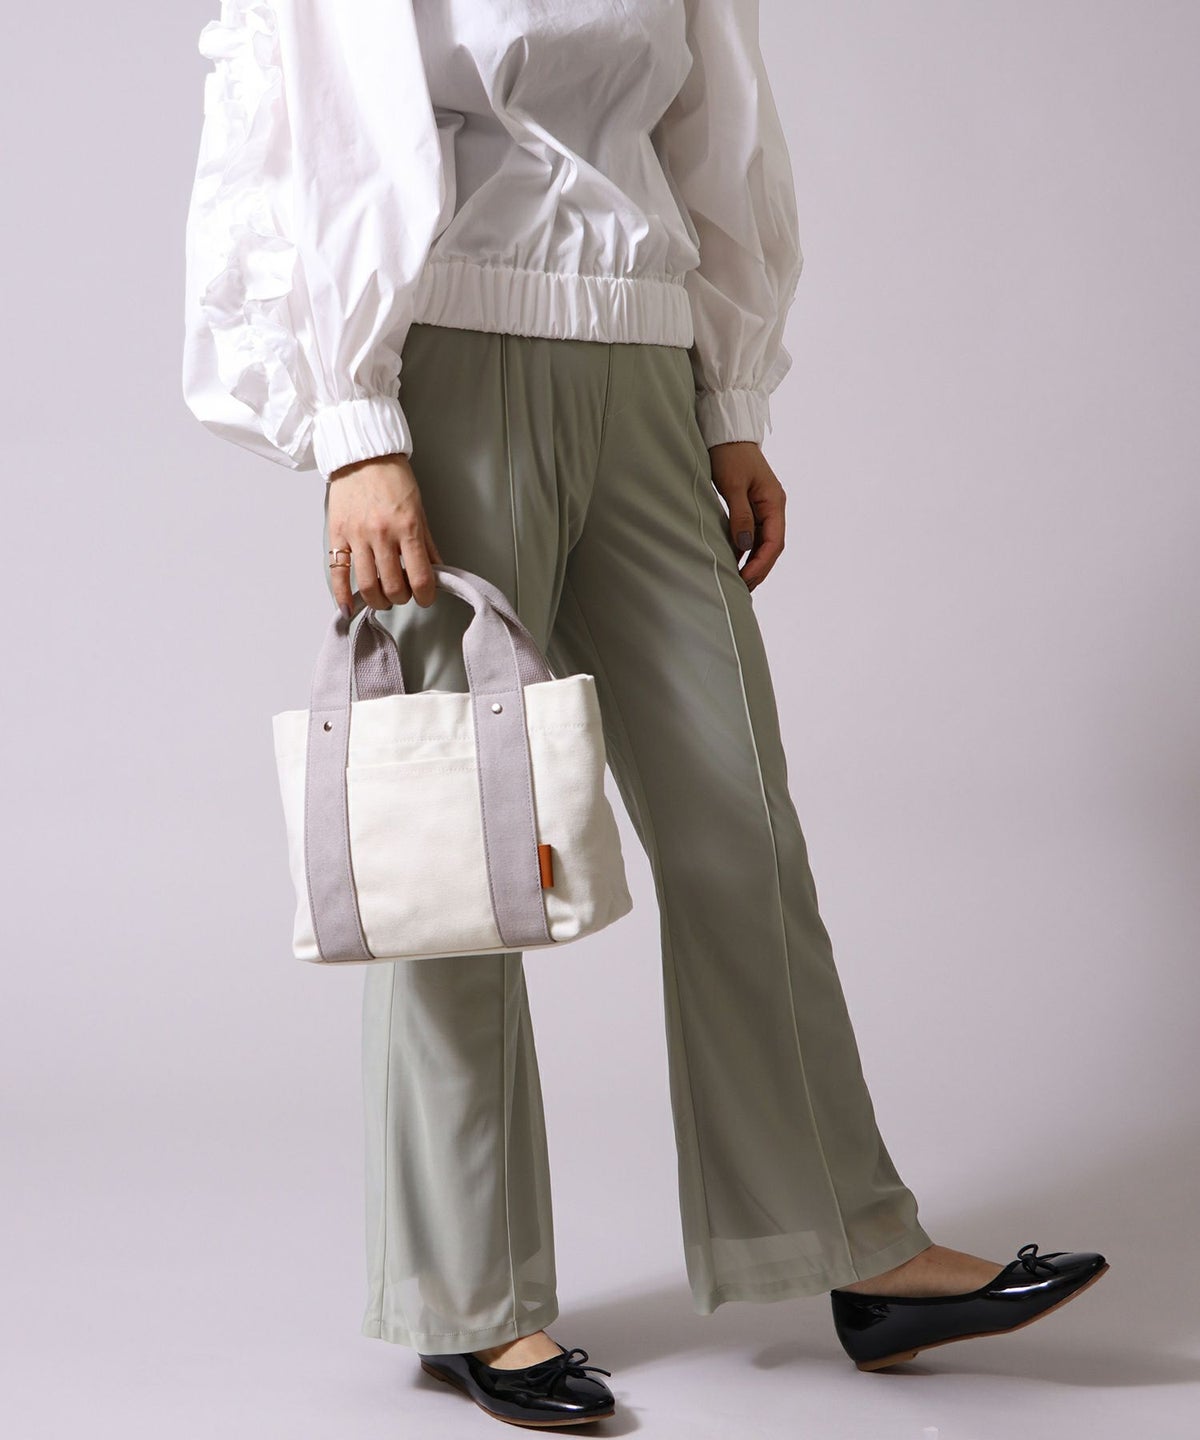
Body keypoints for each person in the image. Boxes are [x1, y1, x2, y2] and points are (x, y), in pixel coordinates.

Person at [182, 0, 1108, 1428]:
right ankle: (469, 1302)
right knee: (456, 849)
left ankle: (855, 1246)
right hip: (448, 352)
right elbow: (319, 117)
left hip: (643, 366)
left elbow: (715, 121)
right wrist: (355, 421)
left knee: (738, 817)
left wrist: (729, 398)